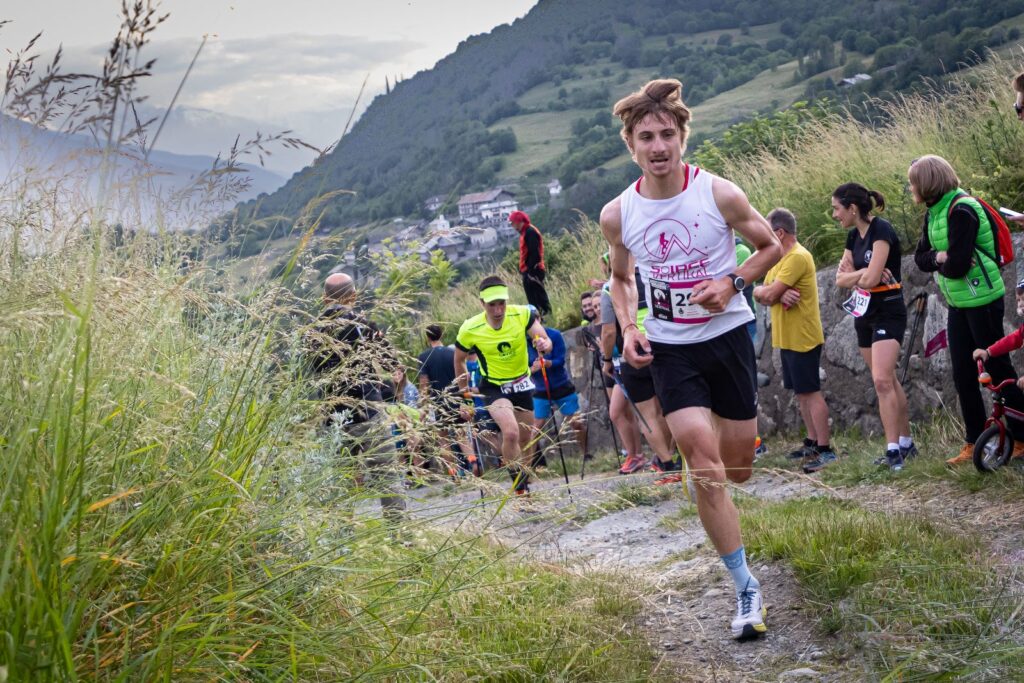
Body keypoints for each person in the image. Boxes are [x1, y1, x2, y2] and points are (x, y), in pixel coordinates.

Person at [602, 78, 781, 639]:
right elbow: (620, 278)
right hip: (670, 348)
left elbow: (771, 247)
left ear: (682, 137)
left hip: (727, 338)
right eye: (646, 137)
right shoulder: (619, 213)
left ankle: (732, 484)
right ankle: (745, 587)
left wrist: (732, 282)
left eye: (667, 135)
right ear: (631, 145)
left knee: (738, 468)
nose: (658, 146)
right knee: (702, 462)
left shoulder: (718, 194)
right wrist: (630, 326)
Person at [910, 155, 1024, 464]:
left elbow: (958, 265)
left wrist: (944, 260)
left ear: (927, 183)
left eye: (913, 183)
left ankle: (1020, 438)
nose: (910, 189)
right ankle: (974, 441)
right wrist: (941, 258)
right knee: (962, 373)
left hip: (983, 299)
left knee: (998, 367)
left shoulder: (962, 209)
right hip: (959, 302)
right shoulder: (934, 212)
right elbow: (920, 259)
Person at [305, 272, 406, 522]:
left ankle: (342, 541)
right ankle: (400, 535)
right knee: (387, 478)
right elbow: (393, 365)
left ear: (324, 298)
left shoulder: (311, 332)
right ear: (354, 296)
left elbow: (306, 373)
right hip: (368, 413)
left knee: (340, 485)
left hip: (333, 421)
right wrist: (396, 393)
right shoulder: (362, 324)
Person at [833, 183, 915, 471]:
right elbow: (841, 279)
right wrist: (864, 274)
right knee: (887, 379)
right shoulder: (854, 235)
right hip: (863, 313)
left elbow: (868, 279)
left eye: (836, 209)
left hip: (888, 312)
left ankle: (893, 450)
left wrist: (863, 276)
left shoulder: (882, 230)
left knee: (881, 380)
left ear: (852, 209)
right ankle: (906, 443)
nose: (834, 215)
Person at [753, 208, 836, 473]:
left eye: (768, 232)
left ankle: (825, 449)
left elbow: (767, 294)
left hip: (803, 336)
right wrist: (774, 292)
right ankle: (811, 442)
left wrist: (773, 292)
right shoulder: (779, 258)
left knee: (811, 392)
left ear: (779, 233)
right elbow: (758, 291)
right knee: (801, 393)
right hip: (787, 337)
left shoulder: (798, 257)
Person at [454, 275, 551, 495]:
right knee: (510, 433)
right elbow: (458, 359)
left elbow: (545, 340)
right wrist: (463, 395)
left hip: (521, 382)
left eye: (501, 303)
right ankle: (519, 486)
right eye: (492, 305)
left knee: (526, 438)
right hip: (493, 386)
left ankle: (523, 475)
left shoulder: (522, 314)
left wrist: (544, 343)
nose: (498, 310)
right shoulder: (471, 328)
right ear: (482, 303)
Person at [599, 270, 681, 480]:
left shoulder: (610, 288)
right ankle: (675, 455)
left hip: (632, 354)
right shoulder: (658, 272)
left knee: (646, 415)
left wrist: (607, 360)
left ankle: (668, 465)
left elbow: (608, 332)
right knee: (668, 409)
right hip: (663, 346)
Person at [527, 314, 591, 465]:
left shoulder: (554, 335)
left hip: (561, 385)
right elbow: (524, 368)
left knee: (576, 422)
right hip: (540, 389)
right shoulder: (523, 342)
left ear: (540, 319)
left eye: (535, 320)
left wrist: (548, 363)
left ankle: (586, 453)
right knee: (536, 428)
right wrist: (532, 369)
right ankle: (529, 463)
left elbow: (560, 359)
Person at [417, 324, 476, 474]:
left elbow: (424, 384)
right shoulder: (453, 353)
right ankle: (473, 462)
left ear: (427, 337)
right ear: (441, 335)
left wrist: (423, 407)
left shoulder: (424, 357)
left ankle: (453, 473)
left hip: (439, 402)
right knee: (461, 435)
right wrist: (466, 397)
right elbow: (465, 375)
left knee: (443, 439)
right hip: (457, 399)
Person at [510, 210, 551, 316]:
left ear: (519, 221)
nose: (513, 226)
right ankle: (539, 318)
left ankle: (544, 316)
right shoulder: (525, 232)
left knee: (538, 296)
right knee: (533, 297)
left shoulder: (530, 232)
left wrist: (530, 272)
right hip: (529, 271)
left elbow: (535, 254)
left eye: (513, 223)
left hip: (534, 270)